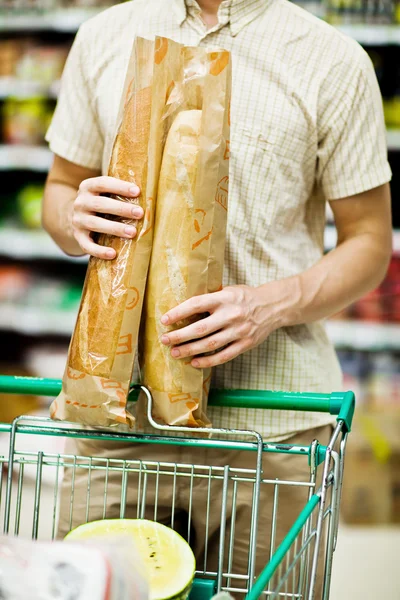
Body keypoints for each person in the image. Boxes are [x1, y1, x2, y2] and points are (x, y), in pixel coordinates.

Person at [42, 0, 392, 594]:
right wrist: (72, 215)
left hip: (271, 432)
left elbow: (370, 241)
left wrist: (273, 303)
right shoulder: (104, 36)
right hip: (117, 426)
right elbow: (59, 190)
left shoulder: (333, 60)